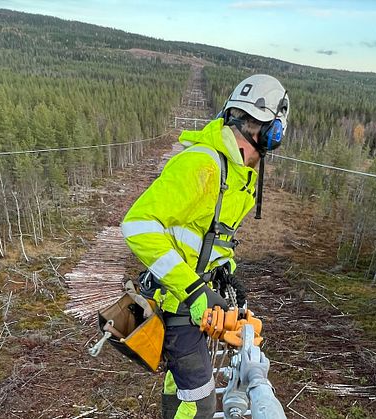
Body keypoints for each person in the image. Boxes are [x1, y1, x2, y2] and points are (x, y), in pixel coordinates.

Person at [121, 74, 289, 419]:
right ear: (267, 131)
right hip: (179, 300)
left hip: (190, 296)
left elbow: (206, 236)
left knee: (179, 383)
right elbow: (137, 226)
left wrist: (224, 273)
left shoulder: (234, 174)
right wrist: (194, 289)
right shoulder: (203, 164)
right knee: (200, 403)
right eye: (276, 137)